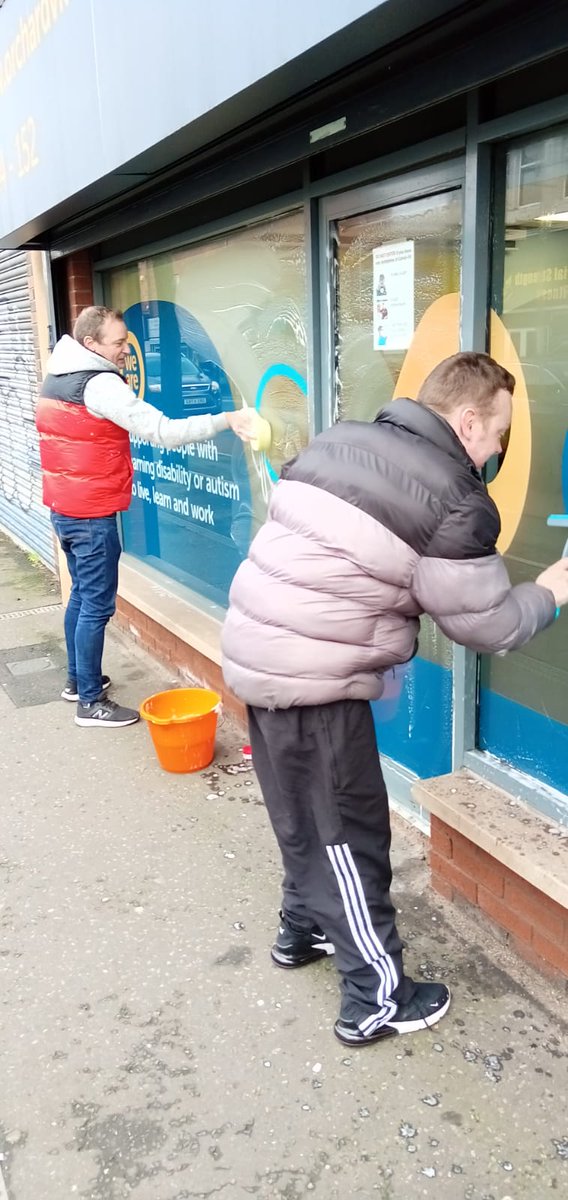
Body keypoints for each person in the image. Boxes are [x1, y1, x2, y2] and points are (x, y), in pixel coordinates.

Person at [222, 351, 568, 1047]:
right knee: (350, 837)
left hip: (258, 654)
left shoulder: (340, 440)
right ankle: (375, 999)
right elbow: (488, 625)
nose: (500, 447)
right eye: (499, 431)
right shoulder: (455, 496)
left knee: (303, 818)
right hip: (314, 681)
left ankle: (300, 933)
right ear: (468, 420)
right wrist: (556, 586)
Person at [36, 305, 254, 729]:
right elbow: (162, 431)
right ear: (90, 344)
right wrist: (228, 418)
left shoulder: (58, 374)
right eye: (117, 343)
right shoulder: (97, 385)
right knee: (96, 604)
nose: (124, 351)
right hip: (91, 513)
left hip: (65, 507)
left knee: (81, 595)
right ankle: (90, 703)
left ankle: (77, 682)